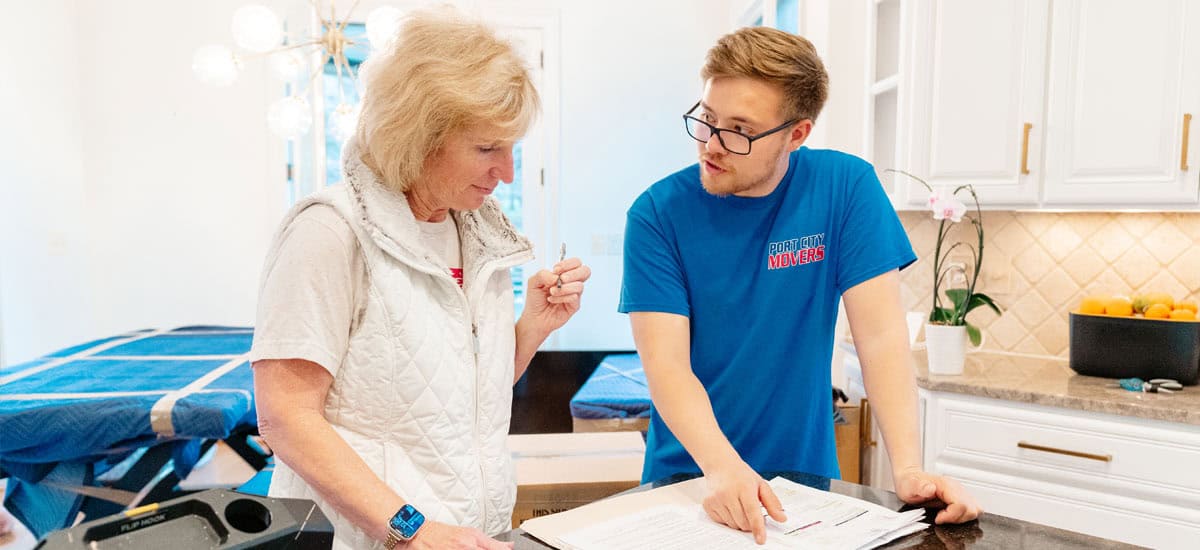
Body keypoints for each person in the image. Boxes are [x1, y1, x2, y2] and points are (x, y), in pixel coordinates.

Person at [619, 26, 980, 545]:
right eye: (707, 119)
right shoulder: (657, 214)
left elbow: (879, 339)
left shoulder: (845, 188)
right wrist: (723, 469)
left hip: (805, 486)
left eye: (739, 129)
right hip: (691, 480)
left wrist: (908, 469)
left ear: (797, 134)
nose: (712, 144)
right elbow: (667, 366)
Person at [250, 10, 590, 550]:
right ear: (420, 137)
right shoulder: (329, 232)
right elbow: (286, 417)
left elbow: (464, 394)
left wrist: (531, 328)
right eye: (486, 148)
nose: (506, 171)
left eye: (511, 148)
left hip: (469, 534)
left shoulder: (481, 236)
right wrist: (411, 529)